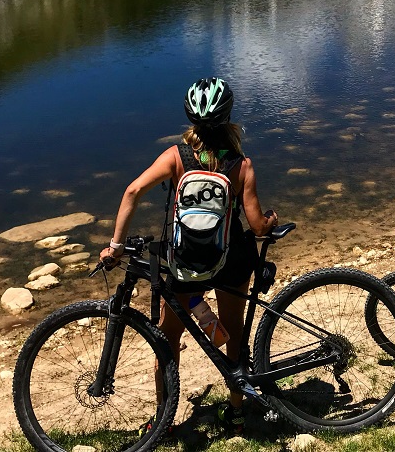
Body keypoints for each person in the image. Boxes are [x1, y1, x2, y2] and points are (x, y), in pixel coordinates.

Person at [99, 77, 278, 436]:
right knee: (234, 329)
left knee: (167, 339)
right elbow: (257, 226)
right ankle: (237, 410)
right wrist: (269, 223)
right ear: (228, 118)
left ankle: (163, 420)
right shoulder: (241, 165)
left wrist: (116, 246)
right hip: (229, 261)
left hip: (185, 263)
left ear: (192, 120)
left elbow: (132, 191)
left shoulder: (176, 157)